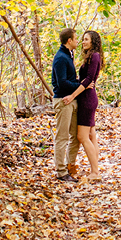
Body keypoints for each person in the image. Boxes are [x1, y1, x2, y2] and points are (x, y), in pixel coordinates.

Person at [62, 30, 103, 181]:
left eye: (86, 39)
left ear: (93, 42)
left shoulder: (94, 56)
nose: (83, 42)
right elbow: (84, 80)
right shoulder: (90, 56)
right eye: (83, 39)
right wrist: (79, 83)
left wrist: (72, 95)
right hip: (87, 97)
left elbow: (88, 80)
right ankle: (94, 170)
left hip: (87, 100)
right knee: (91, 136)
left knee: (82, 136)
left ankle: (95, 172)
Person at [51, 28, 81, 182]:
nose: (78, 41)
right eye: (76, 38)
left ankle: (70, 166)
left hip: (72, 100)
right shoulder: (61, 58)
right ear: (69, 40)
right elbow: (61, 83)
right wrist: (80, 85)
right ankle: (61, 172)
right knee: (62, 137)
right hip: (63, 101)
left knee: (76, 136)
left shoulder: (69, 55)